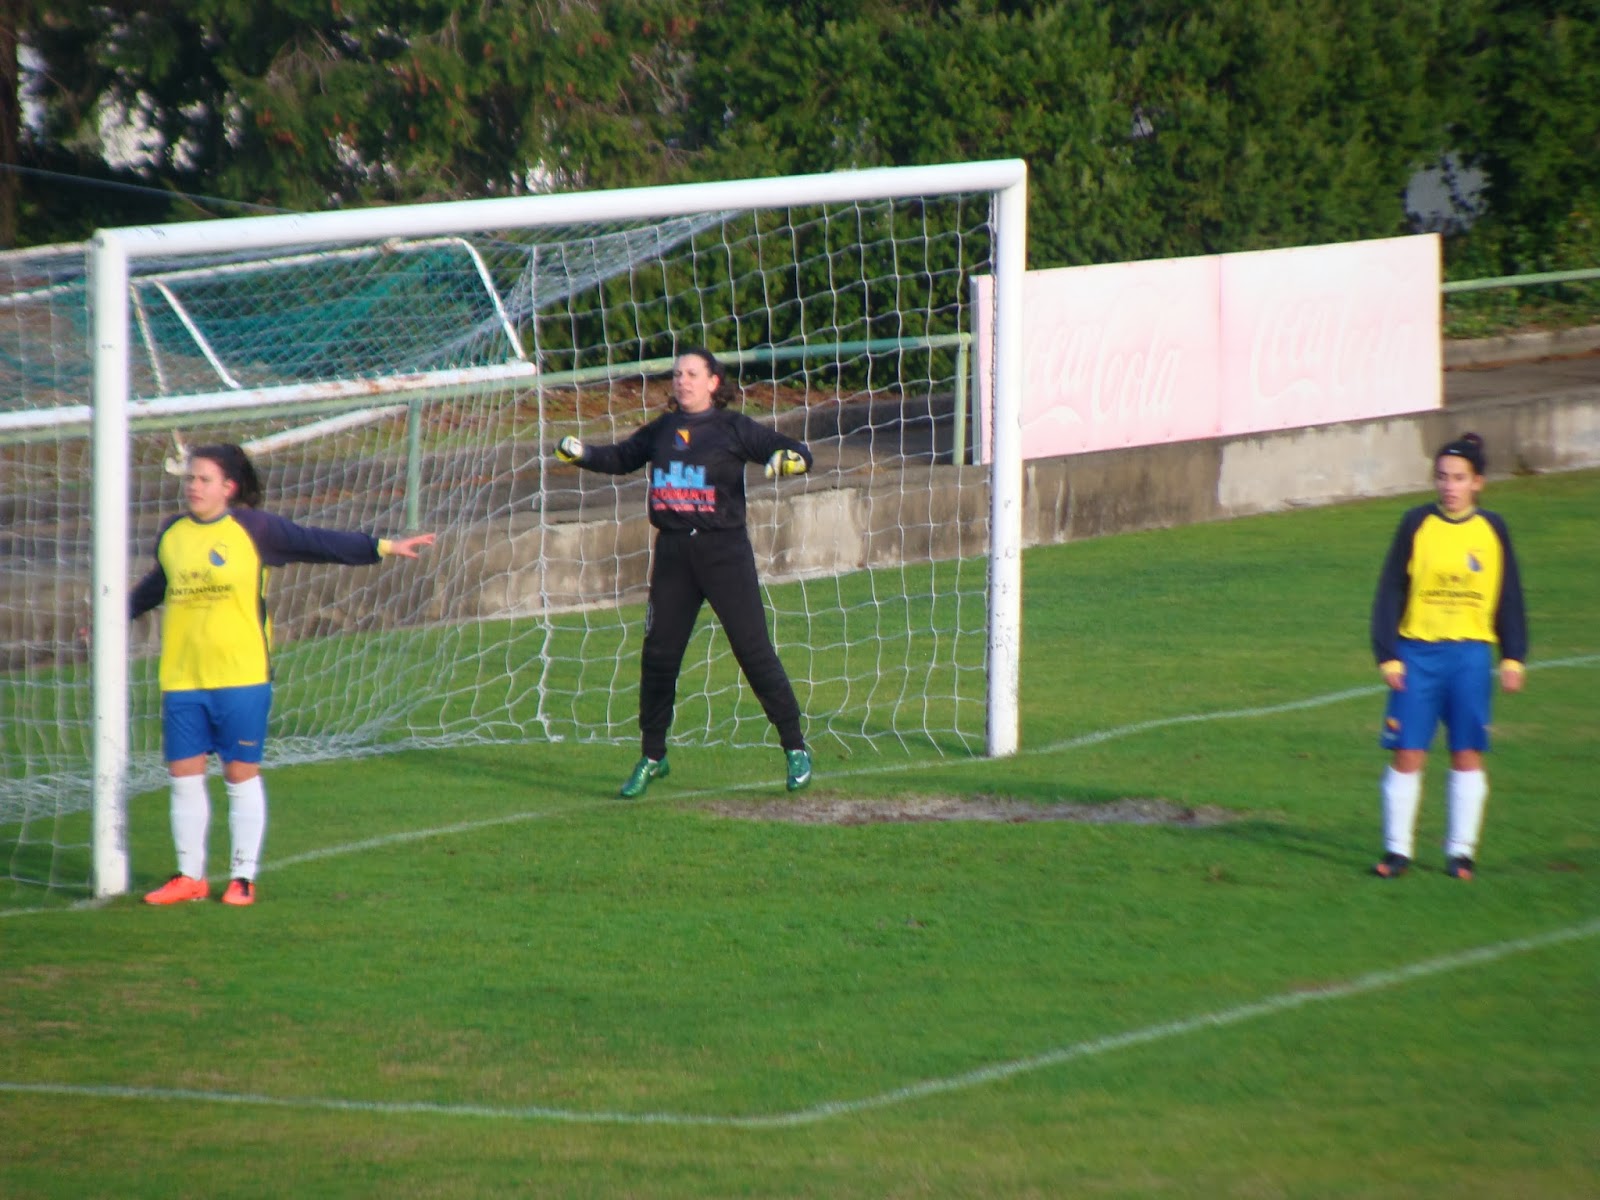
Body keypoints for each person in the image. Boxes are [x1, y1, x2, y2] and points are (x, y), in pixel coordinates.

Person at [130, 442, 435, 905]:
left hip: (242, 676)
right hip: (182, 677)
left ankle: (242, 878)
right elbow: (158, 584)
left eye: (204, 479)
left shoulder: (255, 529)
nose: (193, 486)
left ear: (228, 487)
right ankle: (189, 876)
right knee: (184, 775)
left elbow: (317, 542)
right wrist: (112, 616)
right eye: (190, 478)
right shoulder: (173, 533)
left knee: (239, 774)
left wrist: (384, 547)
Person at [554, 346, 814, 797]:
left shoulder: (733, 428)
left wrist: (792, 460)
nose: (682, 381)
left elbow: (797, 452)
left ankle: (795, 747)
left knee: (753, 652)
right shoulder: (663, 429)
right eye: (677, 374)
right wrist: (582, 453)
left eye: (692, 374)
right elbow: (622, 457)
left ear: (714, 383)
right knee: (659, 657)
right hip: (674, 555)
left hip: (724, 554)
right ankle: (653, 756)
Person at [1369, 432, 1527, 882]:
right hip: (1417, 655)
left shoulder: (1492, 529)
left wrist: (1513, 656)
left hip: (1470, 657)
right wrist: (1388, 655)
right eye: (1442, 477)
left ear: (1478, 482)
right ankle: (1397, 851)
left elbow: (1509, 595)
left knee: (1466, 753)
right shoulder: (1416, 523)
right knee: (1407, 752)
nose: (1449, 486)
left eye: (1458, 478)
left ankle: (1461, 853)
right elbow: (1390, 589)